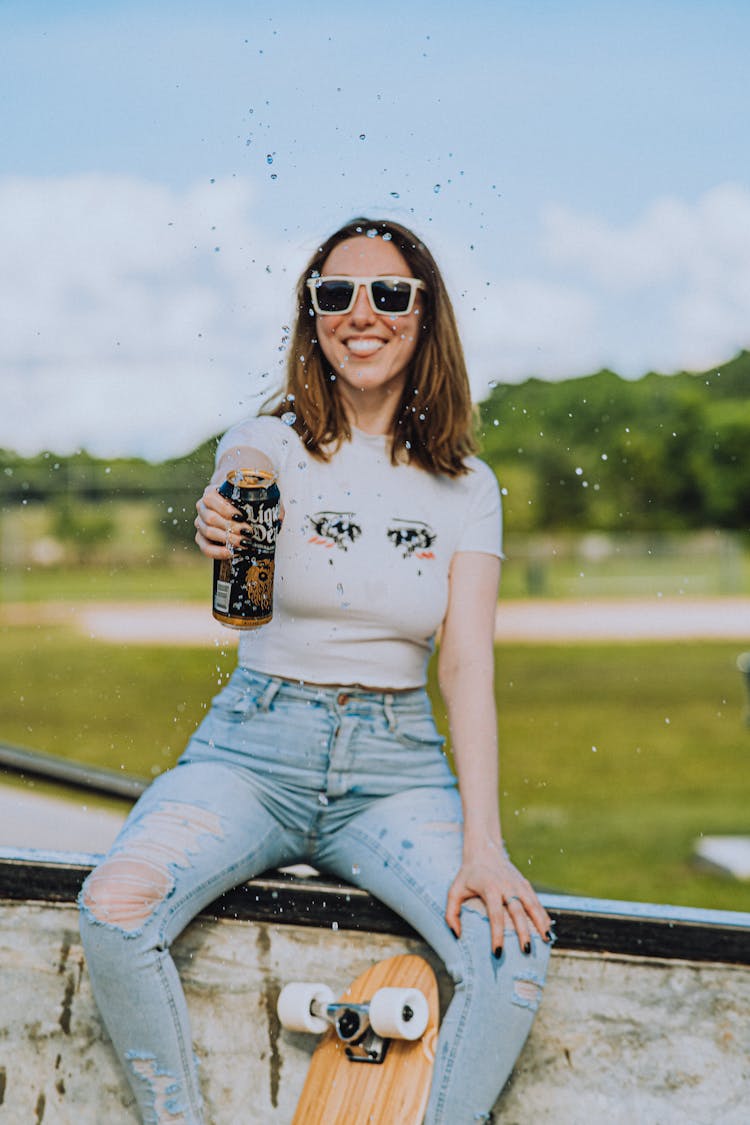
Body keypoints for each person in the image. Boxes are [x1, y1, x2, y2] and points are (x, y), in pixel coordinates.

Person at [79, 216, 553, 1124]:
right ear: (312, 314)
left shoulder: (466, 486)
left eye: (389, 292)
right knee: (115, 908)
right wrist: (229, 508)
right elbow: (242, 480)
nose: (361, 312)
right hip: (254, 752)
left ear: (425, 314)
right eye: (335, 293)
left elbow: (467, 667)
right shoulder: (270, 442)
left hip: (396, 769)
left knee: (513, 956)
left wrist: (484, 846)